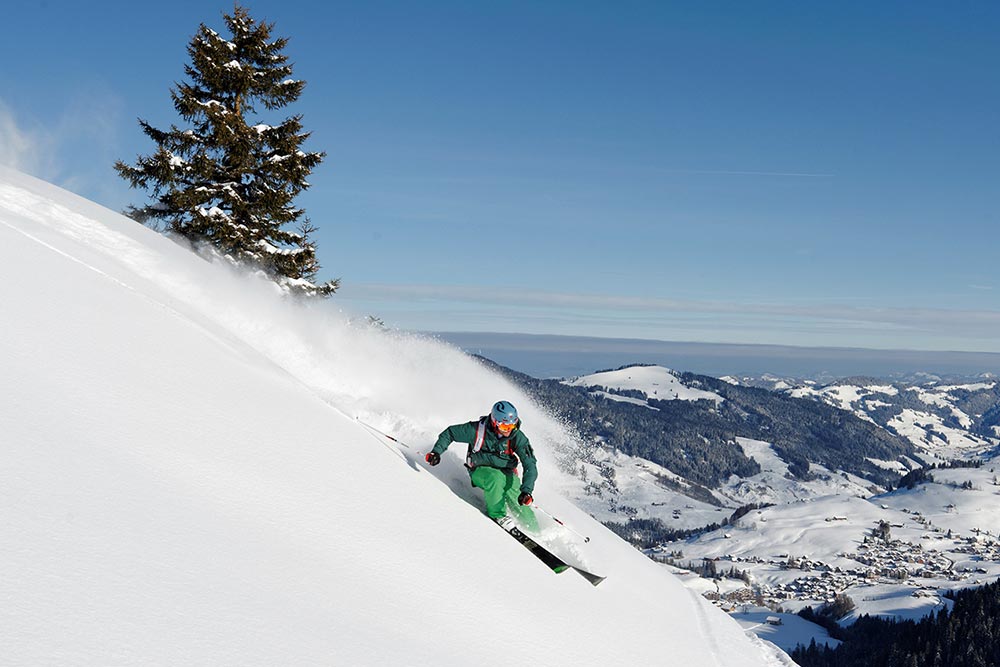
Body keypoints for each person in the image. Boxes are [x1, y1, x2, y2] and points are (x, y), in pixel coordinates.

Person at [425, 400, 538, 530]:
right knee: (495, 478)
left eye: (513, 426)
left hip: (506, 472)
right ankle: (499, 515)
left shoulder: (517, 437)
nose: (509, 431)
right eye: (505, 427)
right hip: (479, 471)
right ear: (495, 423)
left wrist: (527, 491)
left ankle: (534, 530)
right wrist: (436, 452)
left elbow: (530, 464)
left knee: (515, 491)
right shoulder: (476, 430)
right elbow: (450, 433)